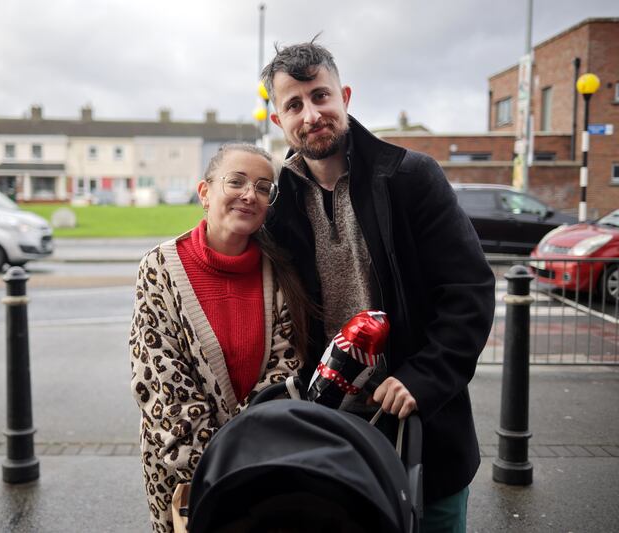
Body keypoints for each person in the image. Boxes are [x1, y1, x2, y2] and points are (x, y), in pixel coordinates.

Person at [261, 39, 496, 532]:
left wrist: (422, 379)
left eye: (321, 96)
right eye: (294, 104)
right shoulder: (279, 204)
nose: (311, 114)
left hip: (418, 427)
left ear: (344, 95)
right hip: (327, 432)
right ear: (278, 119)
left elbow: (468, 291)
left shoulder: (410, 176)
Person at [129, 143, 308, 533]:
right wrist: (216, 473)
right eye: (236, 181)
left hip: (259, 472)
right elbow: (163, 387)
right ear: (205, 191)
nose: (250, 195)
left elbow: (284, 375)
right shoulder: (159, 268)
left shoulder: (280, 273)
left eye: (263, 188)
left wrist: (247, 466)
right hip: (184, 475)